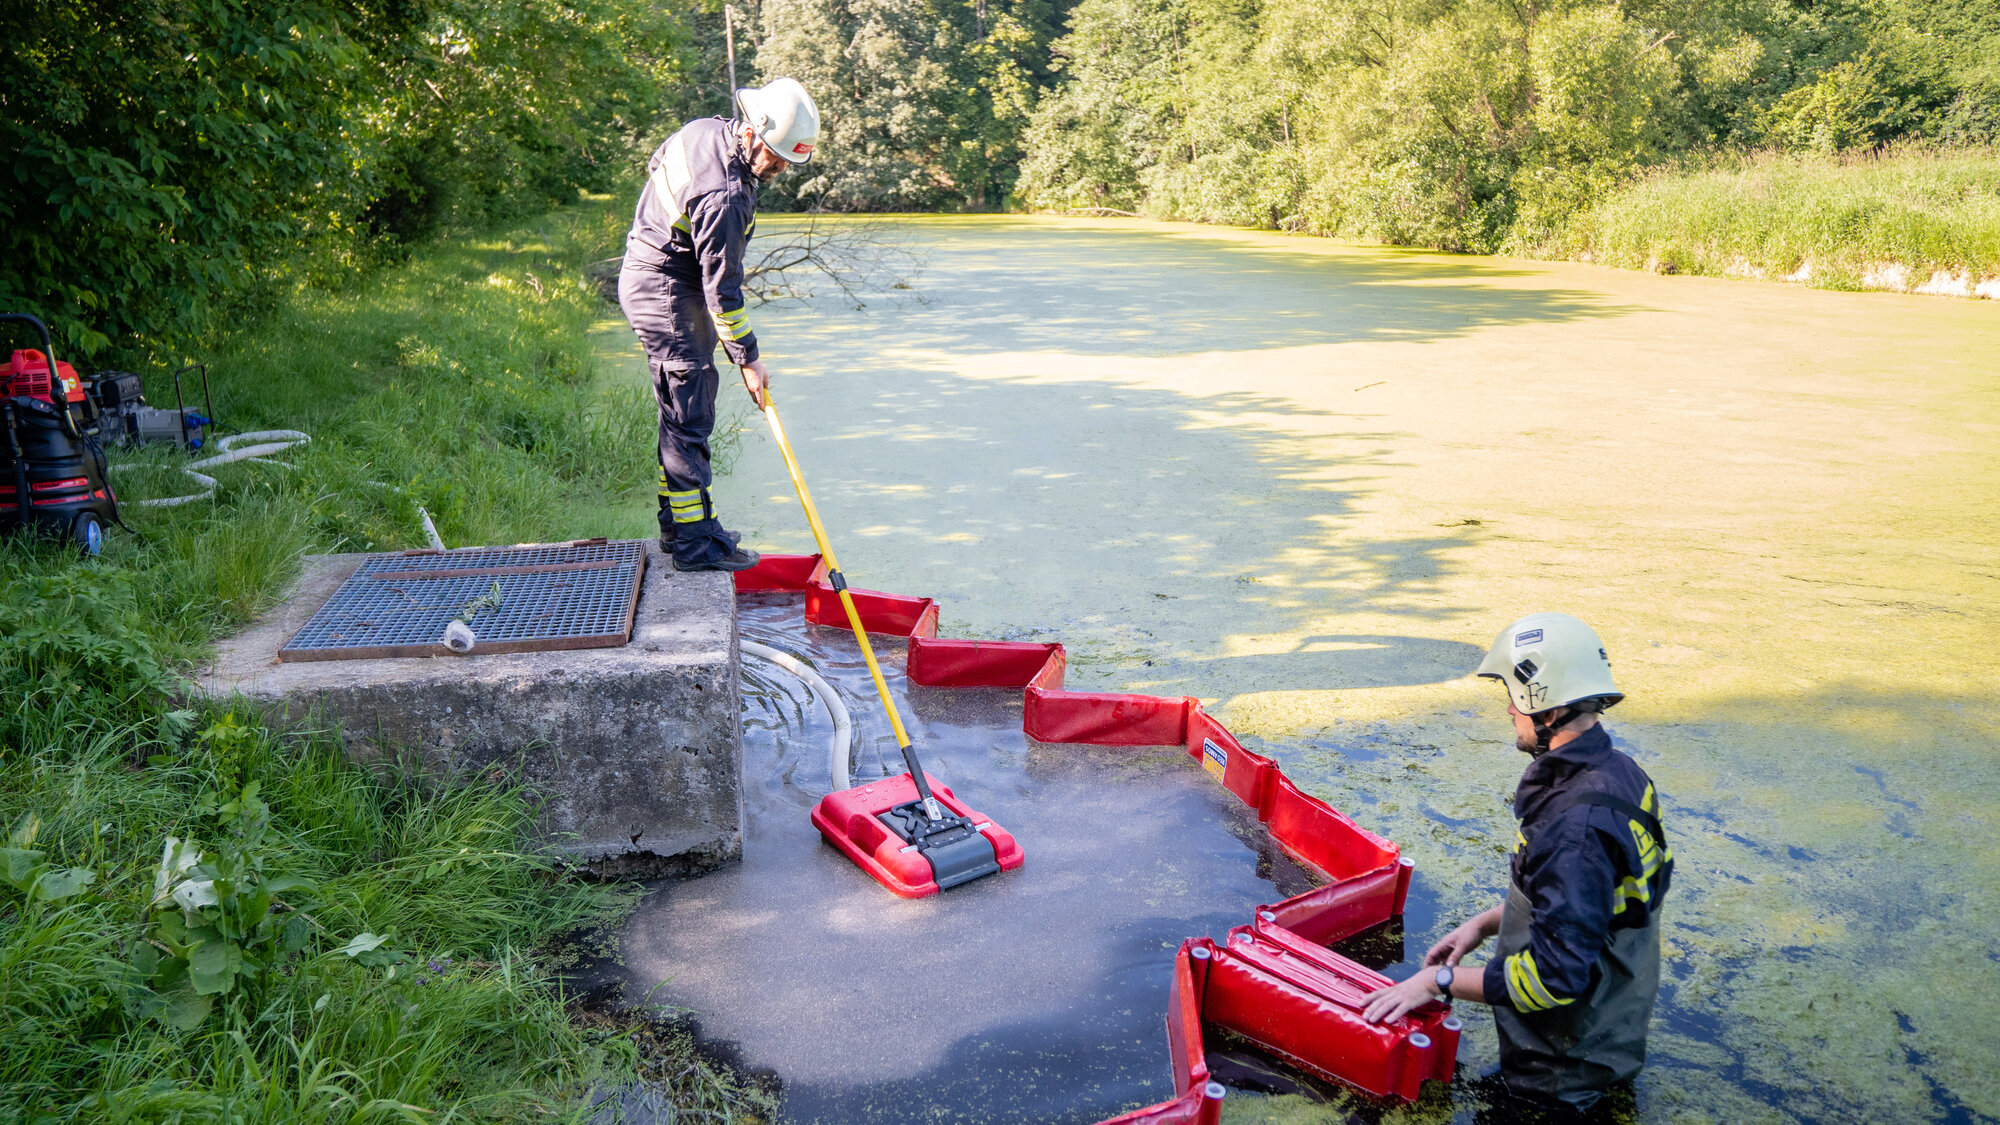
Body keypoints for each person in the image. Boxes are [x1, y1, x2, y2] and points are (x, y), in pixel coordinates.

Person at [1360, 613, 1674, 1114]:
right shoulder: (1621, 774)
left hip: (1561, 1076)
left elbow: (1554, 977)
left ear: (1545, 706)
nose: (1509, 708)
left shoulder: (1578, 827)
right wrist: (1483, 926)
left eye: (1514, 695)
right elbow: (1590, 906)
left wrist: (1437, 981)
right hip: (1606, 1037)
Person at [618, 77, 820, 570]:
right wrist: (749, 359)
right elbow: (722, 294)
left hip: (655, 276)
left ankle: (685, 528)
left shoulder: (704, 131)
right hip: (666, 290)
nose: (775, 169)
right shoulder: (725, 194)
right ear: (752, 130)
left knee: (678, 416)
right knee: (691, 417)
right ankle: (694, 546)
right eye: (772, 156)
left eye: (785, 163)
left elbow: (655, 167)